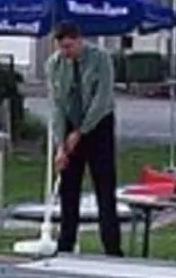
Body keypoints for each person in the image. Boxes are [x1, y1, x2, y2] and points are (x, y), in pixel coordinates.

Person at [46, 22, 123, 256]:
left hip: (99, 124)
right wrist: (61, 145)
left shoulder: (100, 59)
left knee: (104, 186)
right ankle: (66, 245)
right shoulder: (54, 65)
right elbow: (57, 105)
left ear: (79, 40)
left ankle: (112, 247)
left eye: (69, 47)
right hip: (71, 122)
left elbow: (102, 99)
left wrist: (81, 132)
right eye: (61, 48)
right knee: (69, 187)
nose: (65, 52)